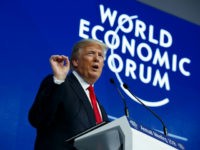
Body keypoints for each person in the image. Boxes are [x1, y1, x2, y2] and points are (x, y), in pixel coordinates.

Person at [28, 38, 109, 150]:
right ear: (75, 61)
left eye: (101, 56)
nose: (97, 59)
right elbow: (37, 118)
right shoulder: (60, 84)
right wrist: (58, 81)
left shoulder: (101, 110)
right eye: (91, 53)